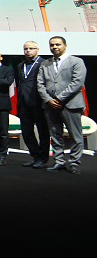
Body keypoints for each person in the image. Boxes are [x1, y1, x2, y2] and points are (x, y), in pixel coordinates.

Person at [37, 36, 87, 174]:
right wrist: (48, 100)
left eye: (58, 44)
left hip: (71, 104)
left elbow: (77, 82)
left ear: (65, 45)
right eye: (52, 45)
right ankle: (59, 161)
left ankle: (74, 163)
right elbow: (40, 84)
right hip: (50, 105)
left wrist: (58, 99)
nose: (54, 47)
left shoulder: (76, 61)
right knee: (55, 135)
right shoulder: (45, 63)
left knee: (75, 136)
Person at [15, 41, 49, 168]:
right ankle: (35, 156)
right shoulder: (20, 65)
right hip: (23, 102)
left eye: (31, 48)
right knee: (26, 131)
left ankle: (43, 158)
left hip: (39, 101)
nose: (28, 50)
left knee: (43, 131)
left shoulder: (45, 63)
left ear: (37, 49)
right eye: (25, 49)